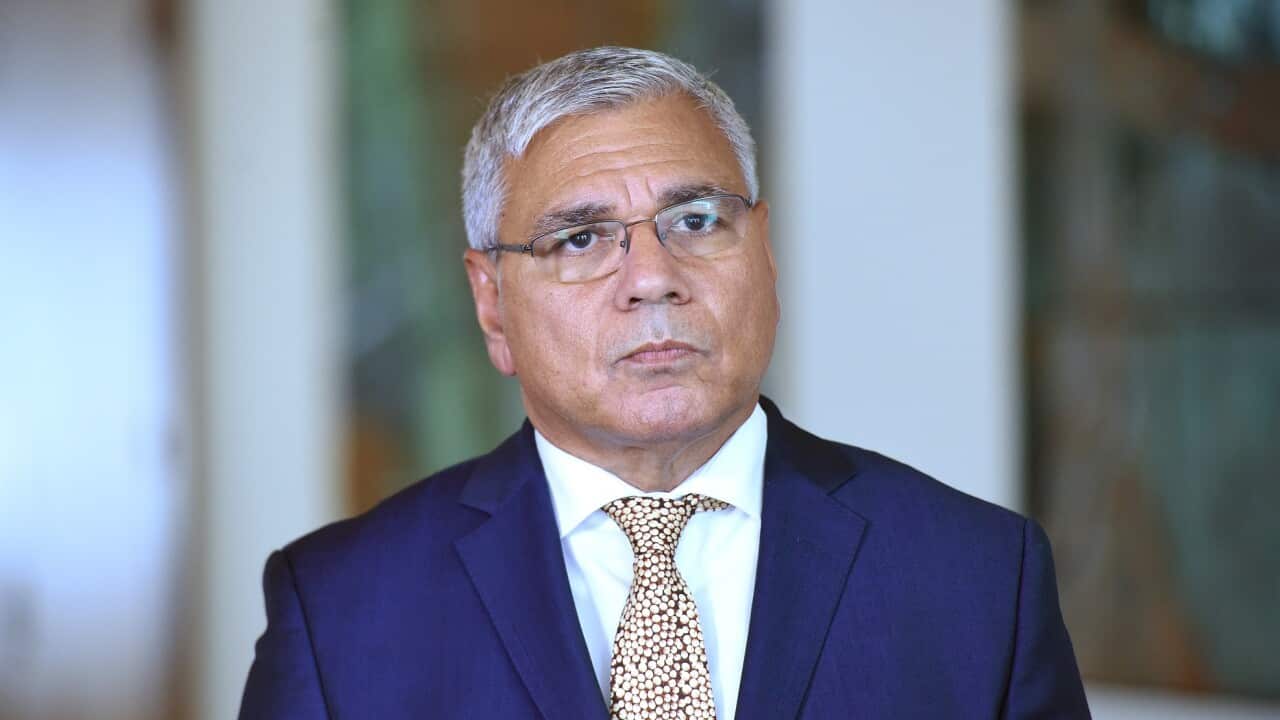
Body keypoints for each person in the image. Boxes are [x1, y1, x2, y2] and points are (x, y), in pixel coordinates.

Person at [239, 46, 1090, 719]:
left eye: (695, 220)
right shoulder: (340, 611)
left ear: (764, 253)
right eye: (580, 239)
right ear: (491, 304)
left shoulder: (978, 577)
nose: (652, 277)